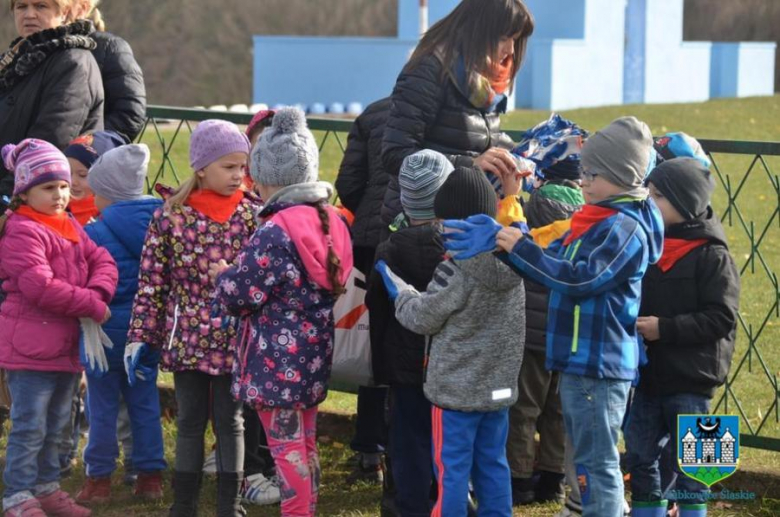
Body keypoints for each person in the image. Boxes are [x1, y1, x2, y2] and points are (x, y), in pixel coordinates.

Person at [442, 116, 664, 517]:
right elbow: (551, 258)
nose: (584, 181)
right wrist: (501, 240)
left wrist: (518, 249)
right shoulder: (592, 220)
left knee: (598, 465)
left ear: (620, 177)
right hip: (577, 362)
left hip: (599, 367)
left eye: (593, 174)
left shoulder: (624, 229)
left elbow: (580, 280)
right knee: (584, 463)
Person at [214, 107, 353, 517]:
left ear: (267, 177)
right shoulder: (329, 220)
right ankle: (305, 508)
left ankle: (296, 512)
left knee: (285, 447)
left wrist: (223, 276)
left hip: (274, 362)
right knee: (305, 441)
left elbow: (242, 294)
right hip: (313, 354)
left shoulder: (274, 230)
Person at [127, 119, 260, 517]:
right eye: (229, 166)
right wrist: (141, 335)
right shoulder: (170, 217)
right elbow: (152, 281)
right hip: (186, 339)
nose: (238, 175)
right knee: (189, 421)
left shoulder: (254, 217)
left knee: (230, 421)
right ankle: (182, 504)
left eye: (242, 166)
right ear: (201, 167)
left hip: (235, 339)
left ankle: (228, 504)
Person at [377, 167, 526, 517]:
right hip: (499, 389)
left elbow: (421, 317)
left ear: (448, 221)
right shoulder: (516, 262)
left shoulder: (455, 269)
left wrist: (399, 291)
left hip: (455, 394)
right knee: (493, 463)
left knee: (452, 470)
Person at [0, 139, 117, 517]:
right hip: (30, 351)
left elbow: (102, 260)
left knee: (57, 425)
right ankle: (17, 494)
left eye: (64, 185)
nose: (60, 194)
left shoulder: (68, 225)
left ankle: (46, 488)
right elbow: (40, 286)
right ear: (24, 191)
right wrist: (91, 304)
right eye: (49, 187)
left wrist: (98, 292)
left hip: (65, 348)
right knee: (29, 425)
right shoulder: (22, 230)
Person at [625, 158, 740, 517]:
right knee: (640, 458)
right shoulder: (648, 244)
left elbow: (721, 318)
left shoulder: (713, 255)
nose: (649, 201)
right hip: (648, 378)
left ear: (685, 202)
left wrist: (664, 328)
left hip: (693, 379)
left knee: (699, 466)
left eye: (657, 195)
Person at [381, 0, 534, 228]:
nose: (511, 50)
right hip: (422, 226)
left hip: (465, 221)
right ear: (478, 30)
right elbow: (395, 154)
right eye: (504, 38)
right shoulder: (429, 70)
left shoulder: (482, 85)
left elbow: (468, 138)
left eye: (515, 39)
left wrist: (513, 155)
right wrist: (471, 164)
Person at [73, 144, 167, 505]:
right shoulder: (159, 225)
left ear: (106, 194)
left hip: (104, 335)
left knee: (102, 408)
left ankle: (98, 479)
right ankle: (150, 477)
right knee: (144, 403)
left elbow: (82, 280)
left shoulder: (94, 234)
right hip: (146, 332)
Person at [365, 149, 453, 516]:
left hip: (403, 366)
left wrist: (382, 365)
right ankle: (448, 501)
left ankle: (411, 506)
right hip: (449, 363)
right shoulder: (455, 250)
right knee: (450, 440)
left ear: (405, 199)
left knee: (409, 439)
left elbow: (378, 310)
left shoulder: (388, 250)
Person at [505, 118, 587, 506]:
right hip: (569, 327)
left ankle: (520, 479)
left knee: (523, 407)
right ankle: (553, 478)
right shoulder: (589, 208)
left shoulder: (537, 203)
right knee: (558, 408)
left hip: (534, 325)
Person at [335, 97, 393, 486]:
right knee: (409, 347)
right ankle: (405, 448)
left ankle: (369, 449)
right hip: (427, 237)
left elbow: (349, 183)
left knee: (372, 343)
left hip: (369, 240)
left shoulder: (374, 112)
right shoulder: (454, 114)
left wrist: (371, 211)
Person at [0, 0, 104, 210]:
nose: (29, 14)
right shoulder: (16, 59)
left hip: (39, 203)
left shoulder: (73, 62)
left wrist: (5, 202)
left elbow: (49, 142)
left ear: (64, 12)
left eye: (41, 6)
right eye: (21, 6)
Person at [68, 0, 146, 142]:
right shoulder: (31, 51)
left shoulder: (110, 47)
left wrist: (85, 148)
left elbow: (129, 114)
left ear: (82, 7)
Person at [63, 131, 126, 226]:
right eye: (68, 172)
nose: (72, 182)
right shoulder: (56, 206)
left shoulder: (110, 217)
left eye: (82, 175)